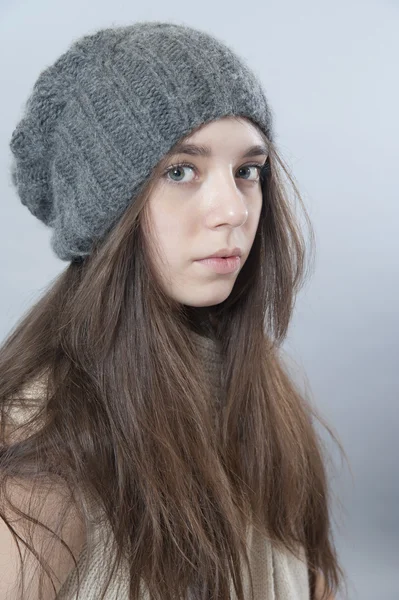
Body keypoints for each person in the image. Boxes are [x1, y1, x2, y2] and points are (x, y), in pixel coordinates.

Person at [0, 21, 348, 600]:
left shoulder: (264, 405)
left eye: (248, 171)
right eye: (180, 171)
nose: (233, 210)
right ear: (105, 214)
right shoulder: (45, 448)